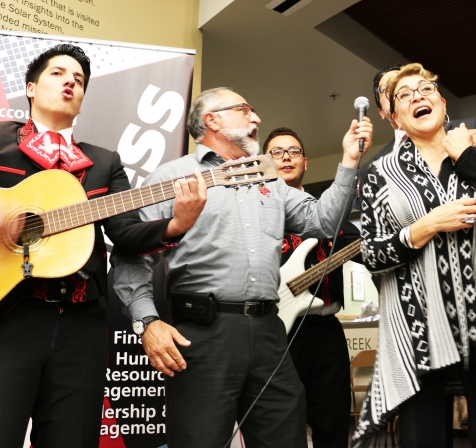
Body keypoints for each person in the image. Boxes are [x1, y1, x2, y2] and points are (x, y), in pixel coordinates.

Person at [0, 44, 202, 448]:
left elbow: (125, 235)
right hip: (6, 321)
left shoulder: (105, 162)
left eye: (79, 79)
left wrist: (177, 224)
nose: (71, 81)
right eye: (58, 73)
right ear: (31, 88)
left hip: (83, 325)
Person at [112, 87, 372, 448]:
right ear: (212, 120)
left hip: (269, 333)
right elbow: (130, 255)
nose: (257, 119)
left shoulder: (269, 179)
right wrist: (147, 322)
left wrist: (347, 160)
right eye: (245, 110)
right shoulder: (171, 177)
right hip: (203, 335)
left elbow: (324, 222)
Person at [352, 63, 476, 448]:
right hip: (418, 330)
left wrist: (472, 157)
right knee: (424, 441)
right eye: (404, 95)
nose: (418, 97)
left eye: (425, 89)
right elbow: (371, 254)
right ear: (395, 116)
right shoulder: (377, 174)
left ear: (442, 101)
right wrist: (422, 228)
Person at [262, 127, 358, 448]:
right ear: (264, 162)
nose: (286, 157)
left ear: (306, 162)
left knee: (332, 428)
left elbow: (373, 254)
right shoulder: (255, 216)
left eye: (293, 151)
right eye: (277, 152)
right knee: (280, 431)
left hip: (326, 333)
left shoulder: (332, 212)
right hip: (274, 334)